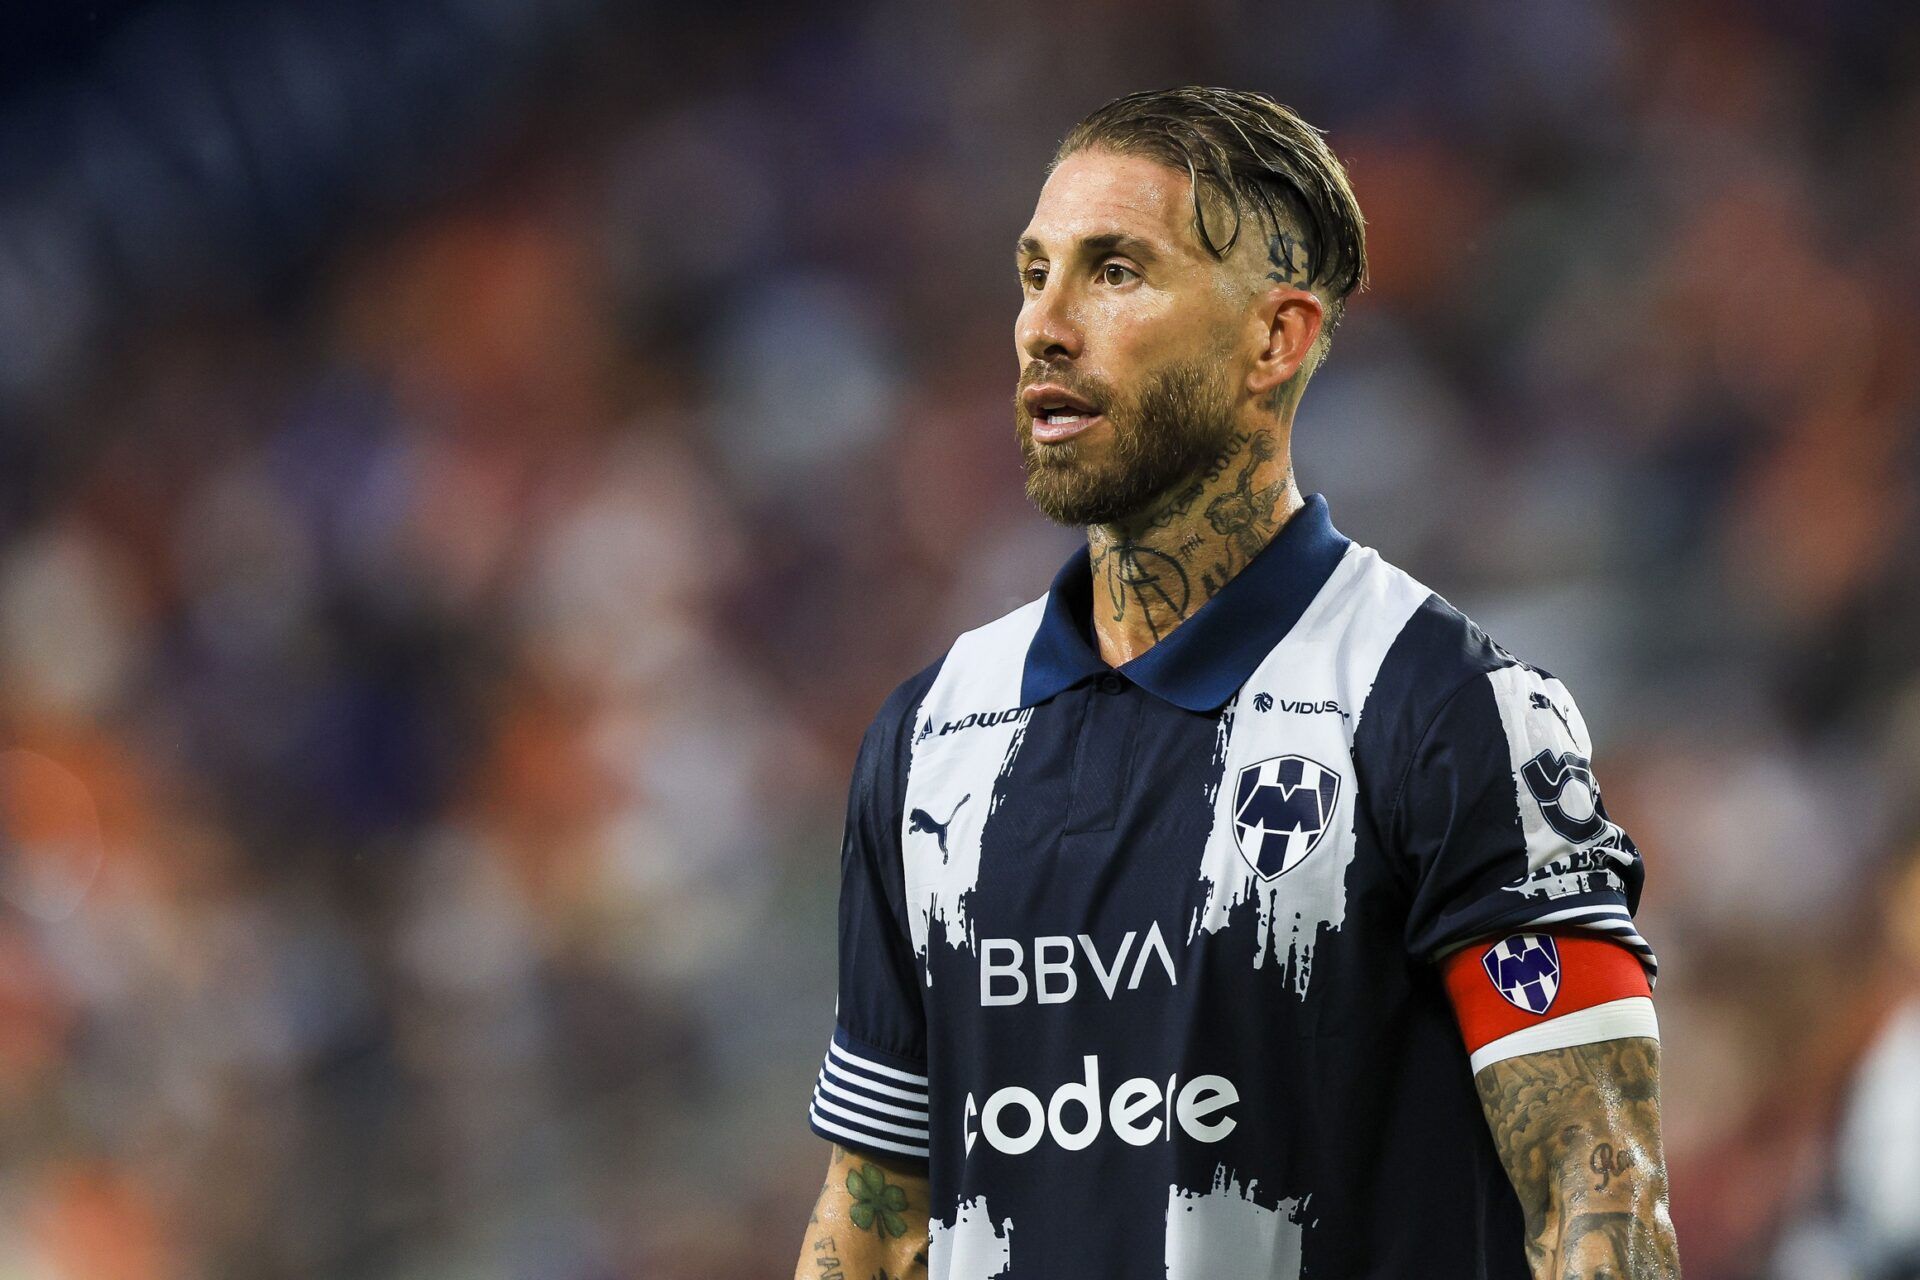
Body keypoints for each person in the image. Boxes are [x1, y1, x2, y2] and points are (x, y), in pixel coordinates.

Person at [793, 86, 1681, 1279]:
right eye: (1034, 270)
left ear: (1277, 337)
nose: (1043, 326)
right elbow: (879, 1215)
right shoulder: (931, 737)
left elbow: (1600, 1193)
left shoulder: (1447, 709)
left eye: (1114, 272)